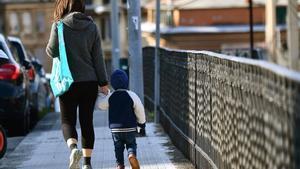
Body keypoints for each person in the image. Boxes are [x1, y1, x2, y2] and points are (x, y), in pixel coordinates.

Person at [46, 0, 109, 169]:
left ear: (63, 6)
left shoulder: (59, 26)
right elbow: (98, 58)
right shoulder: (92, 26)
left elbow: (51, 51)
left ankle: (74, 149)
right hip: (89, 82)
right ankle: (87, 164)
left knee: (68, 121)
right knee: (87, 122)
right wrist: (103, 83)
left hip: (68, 82)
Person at [98, 69, 146, 169]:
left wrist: (102, 94)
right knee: (131, 144)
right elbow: (140, 110)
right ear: (126, 82)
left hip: (115, 129)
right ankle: (131, 155)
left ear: (113, 83)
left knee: (118, 147)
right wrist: (142, 124)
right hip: (130, 128)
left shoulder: (111, 96)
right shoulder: (132, 95)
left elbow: (101, 106)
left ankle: (120, 164)